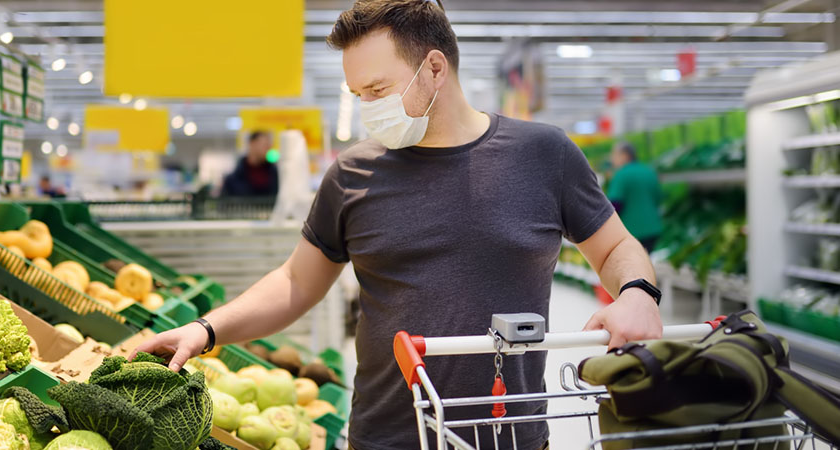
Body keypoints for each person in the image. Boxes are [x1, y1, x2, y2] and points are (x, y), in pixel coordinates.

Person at [136, 1, 663, 448]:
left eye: (377, 89)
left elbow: (615, 246)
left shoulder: (543, 154)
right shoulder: (352, 174)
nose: (368, 107)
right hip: (385, 434)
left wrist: (637, 292)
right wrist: (206, 330)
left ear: (435, 68)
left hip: (509, 434)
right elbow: (296, 283)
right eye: (358, 94)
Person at [607, 142, 663, 253]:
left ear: (625, 155)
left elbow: (615, 205)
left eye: (614, 155)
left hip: (633, 231)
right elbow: (658, 198)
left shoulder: (621, 174)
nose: (612, 159)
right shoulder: (648, 171)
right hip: (653, 229)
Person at [221, 130, 279, 197]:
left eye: (269, 146)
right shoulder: (232, 180)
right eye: (264, 145)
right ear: (251, 144)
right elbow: (225, 205)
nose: (268, 149)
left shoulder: (275, 175)